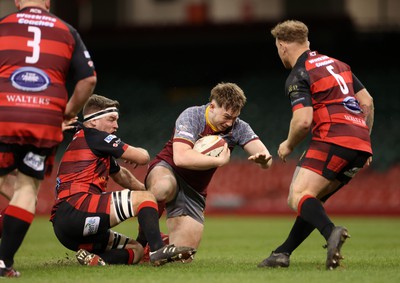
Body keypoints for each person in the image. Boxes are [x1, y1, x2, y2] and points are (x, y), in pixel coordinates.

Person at [257, 20, 374, 270]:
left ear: (281, 45)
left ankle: (331, 232)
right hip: (359, 143)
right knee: (312, 201)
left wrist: (288, 145)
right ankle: (282, 253)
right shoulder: (340, 65)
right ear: (307, 42)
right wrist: (365, 137)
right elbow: (368, 101)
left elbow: (303, 121)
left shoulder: (299, 73)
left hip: (332, 137)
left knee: (297, 196)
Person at [0, 0, 97, 277]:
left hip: (4, 111)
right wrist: (68, 113)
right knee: (27, 189)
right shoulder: (66, 30)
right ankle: (3, 262)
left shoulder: (3, 26)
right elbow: (88, 80)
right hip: (44, 118)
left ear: (18, 1)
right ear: (48, 2)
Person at [50, 94, 196, 267]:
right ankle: (158, 250)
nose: (116, 125)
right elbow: (143, 157)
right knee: (145, 198)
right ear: (94, 121)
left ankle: (98, 261)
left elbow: (122, 176)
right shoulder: (95, 136)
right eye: (111, 119)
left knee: (137, 251)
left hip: (66, 230)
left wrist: (148, 195)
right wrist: (147, 198)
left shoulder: (89, 142)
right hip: (78, 207)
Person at [136, 82, 273, 260]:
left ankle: (155, 247)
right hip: (168, 169)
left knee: (183, 256)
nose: (230, 122)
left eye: (235, 117)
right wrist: (219, 160)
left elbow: (265, 157)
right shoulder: (193, 116)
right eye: (226, 116)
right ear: (212, 106)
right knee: (162, 187)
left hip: (194, 189)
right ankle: (144, 241)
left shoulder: (239, 127)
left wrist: (264, 161)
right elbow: (181, 158)